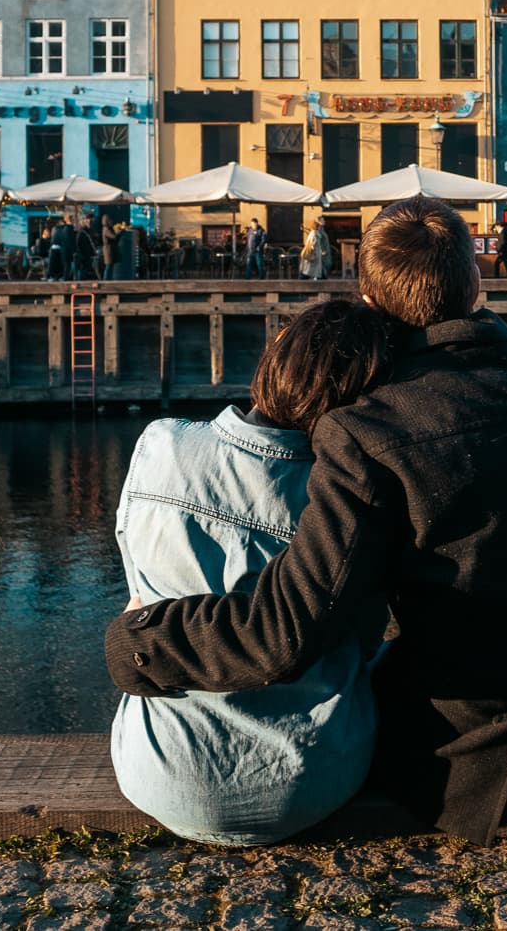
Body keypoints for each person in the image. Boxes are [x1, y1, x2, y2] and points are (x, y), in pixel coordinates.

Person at [107, 195, 507, 846]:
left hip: (457, 767)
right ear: (476, 280)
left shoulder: (366, 426)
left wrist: (139, 644)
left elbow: (288, 627)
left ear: (369, 297)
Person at [111, 299, 393, 845]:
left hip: (155, 773)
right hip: (308, 782)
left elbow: (136, 589)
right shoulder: (343, 506)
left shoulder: (159, 446)